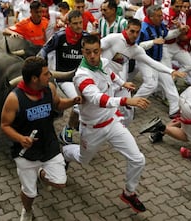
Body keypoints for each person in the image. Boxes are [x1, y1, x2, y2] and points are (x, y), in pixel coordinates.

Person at [62, 35, 150, 213]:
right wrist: (126, 101)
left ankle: (129, 193)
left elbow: (110, 73)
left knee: (138, 159)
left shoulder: (102, 61)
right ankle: (64, 152)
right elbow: (96, 99)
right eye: (88, 52)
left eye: (96, 51)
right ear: (82, 52)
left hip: (112, 122)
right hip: (92, 129)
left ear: (100, 50)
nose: (93, 56)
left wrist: (122, 82)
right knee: (83, 159)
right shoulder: (81, 76)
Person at [0, 56, 82, 221]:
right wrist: (20, 138)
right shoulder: (14, 99)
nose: (50, 76)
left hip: (49, 145)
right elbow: (4, 125)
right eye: (46, 74)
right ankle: (27, 211)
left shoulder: (49, 88)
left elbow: (57, 104)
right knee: (30, 193)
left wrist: (73, 101)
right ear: (34, 78)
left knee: (60, 182)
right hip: (26, 151)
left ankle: (41, 173)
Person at [100, 18, 186, 126]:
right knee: (99, 110)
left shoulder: (136, 49)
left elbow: (152, 63)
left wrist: (171, 71)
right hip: (103, 80)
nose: (135, 35)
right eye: (132, 31)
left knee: (128, 112)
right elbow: (94, 49)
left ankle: (121, 130)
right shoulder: (113, 38)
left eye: (137, 32)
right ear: (126, 29)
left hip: (119, 83)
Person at [133, 4, 183, 143]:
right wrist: (152, 42)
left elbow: (166, 35)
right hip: (145, 60)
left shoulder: (159, 25)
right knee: (151, 84)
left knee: (169, 82)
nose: (162, 18)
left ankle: (174, 109)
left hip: (158, 59)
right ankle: (130, 106)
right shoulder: (143, 28)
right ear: (151, 16)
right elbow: (136, 46)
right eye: (159, 16)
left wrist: (179, 30)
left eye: (161, 15)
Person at [39, 10, 88, 145]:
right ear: (68, 24)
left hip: (82, 77)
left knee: (88, 103)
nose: (79, 26)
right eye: (75, 23)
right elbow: (44, 50)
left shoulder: (86, 37)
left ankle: (78, 123)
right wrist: (41, 64)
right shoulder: (59, 36)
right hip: (64, 78)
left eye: (81, 22)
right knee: (78, 105)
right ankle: (67, 132)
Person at [140, 82, 191, 146]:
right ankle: (160, 127)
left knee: (184, 118)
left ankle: (159, 133)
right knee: (187, 136)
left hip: (188, 94)